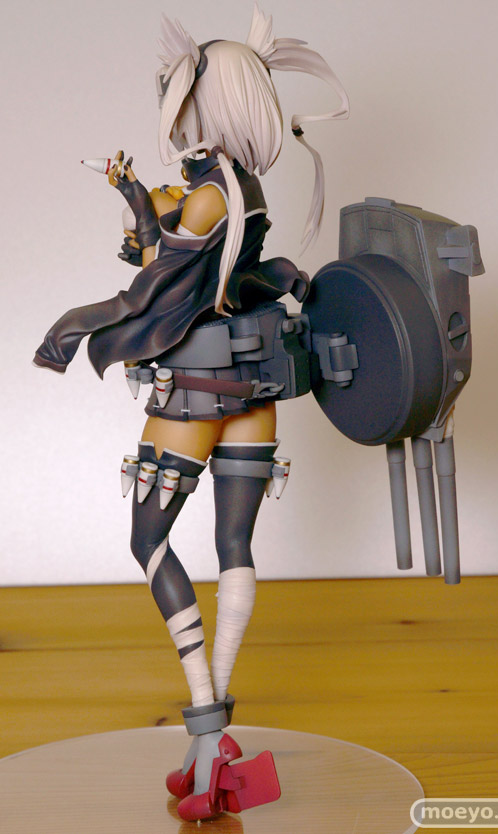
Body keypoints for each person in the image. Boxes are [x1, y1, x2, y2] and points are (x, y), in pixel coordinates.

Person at [33, 4, 349, 821]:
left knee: (149, 541)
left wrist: (136, 220)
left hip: (195, 391)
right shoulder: (244, 187)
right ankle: (213, 735)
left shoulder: (208, 196)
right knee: (234, 544)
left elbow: (156, 284)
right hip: (254, 392)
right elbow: (204, 264)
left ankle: (208, 720)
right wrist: (141, 196)